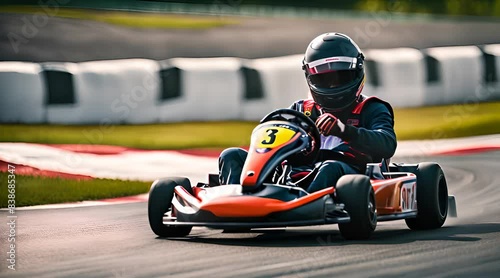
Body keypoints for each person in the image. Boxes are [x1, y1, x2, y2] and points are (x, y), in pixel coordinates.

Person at [218, 32, 397, 193]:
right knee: (231, 155)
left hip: (349, 174)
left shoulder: (371, 108)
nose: (332, 85)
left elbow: (387, 144)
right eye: (324, 79)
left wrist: (343, 130)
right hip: (295, 173)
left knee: (330, 167)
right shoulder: (301, 110)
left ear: (356, 72)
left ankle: (302, 205)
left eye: (340, 76)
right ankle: (234, 199)